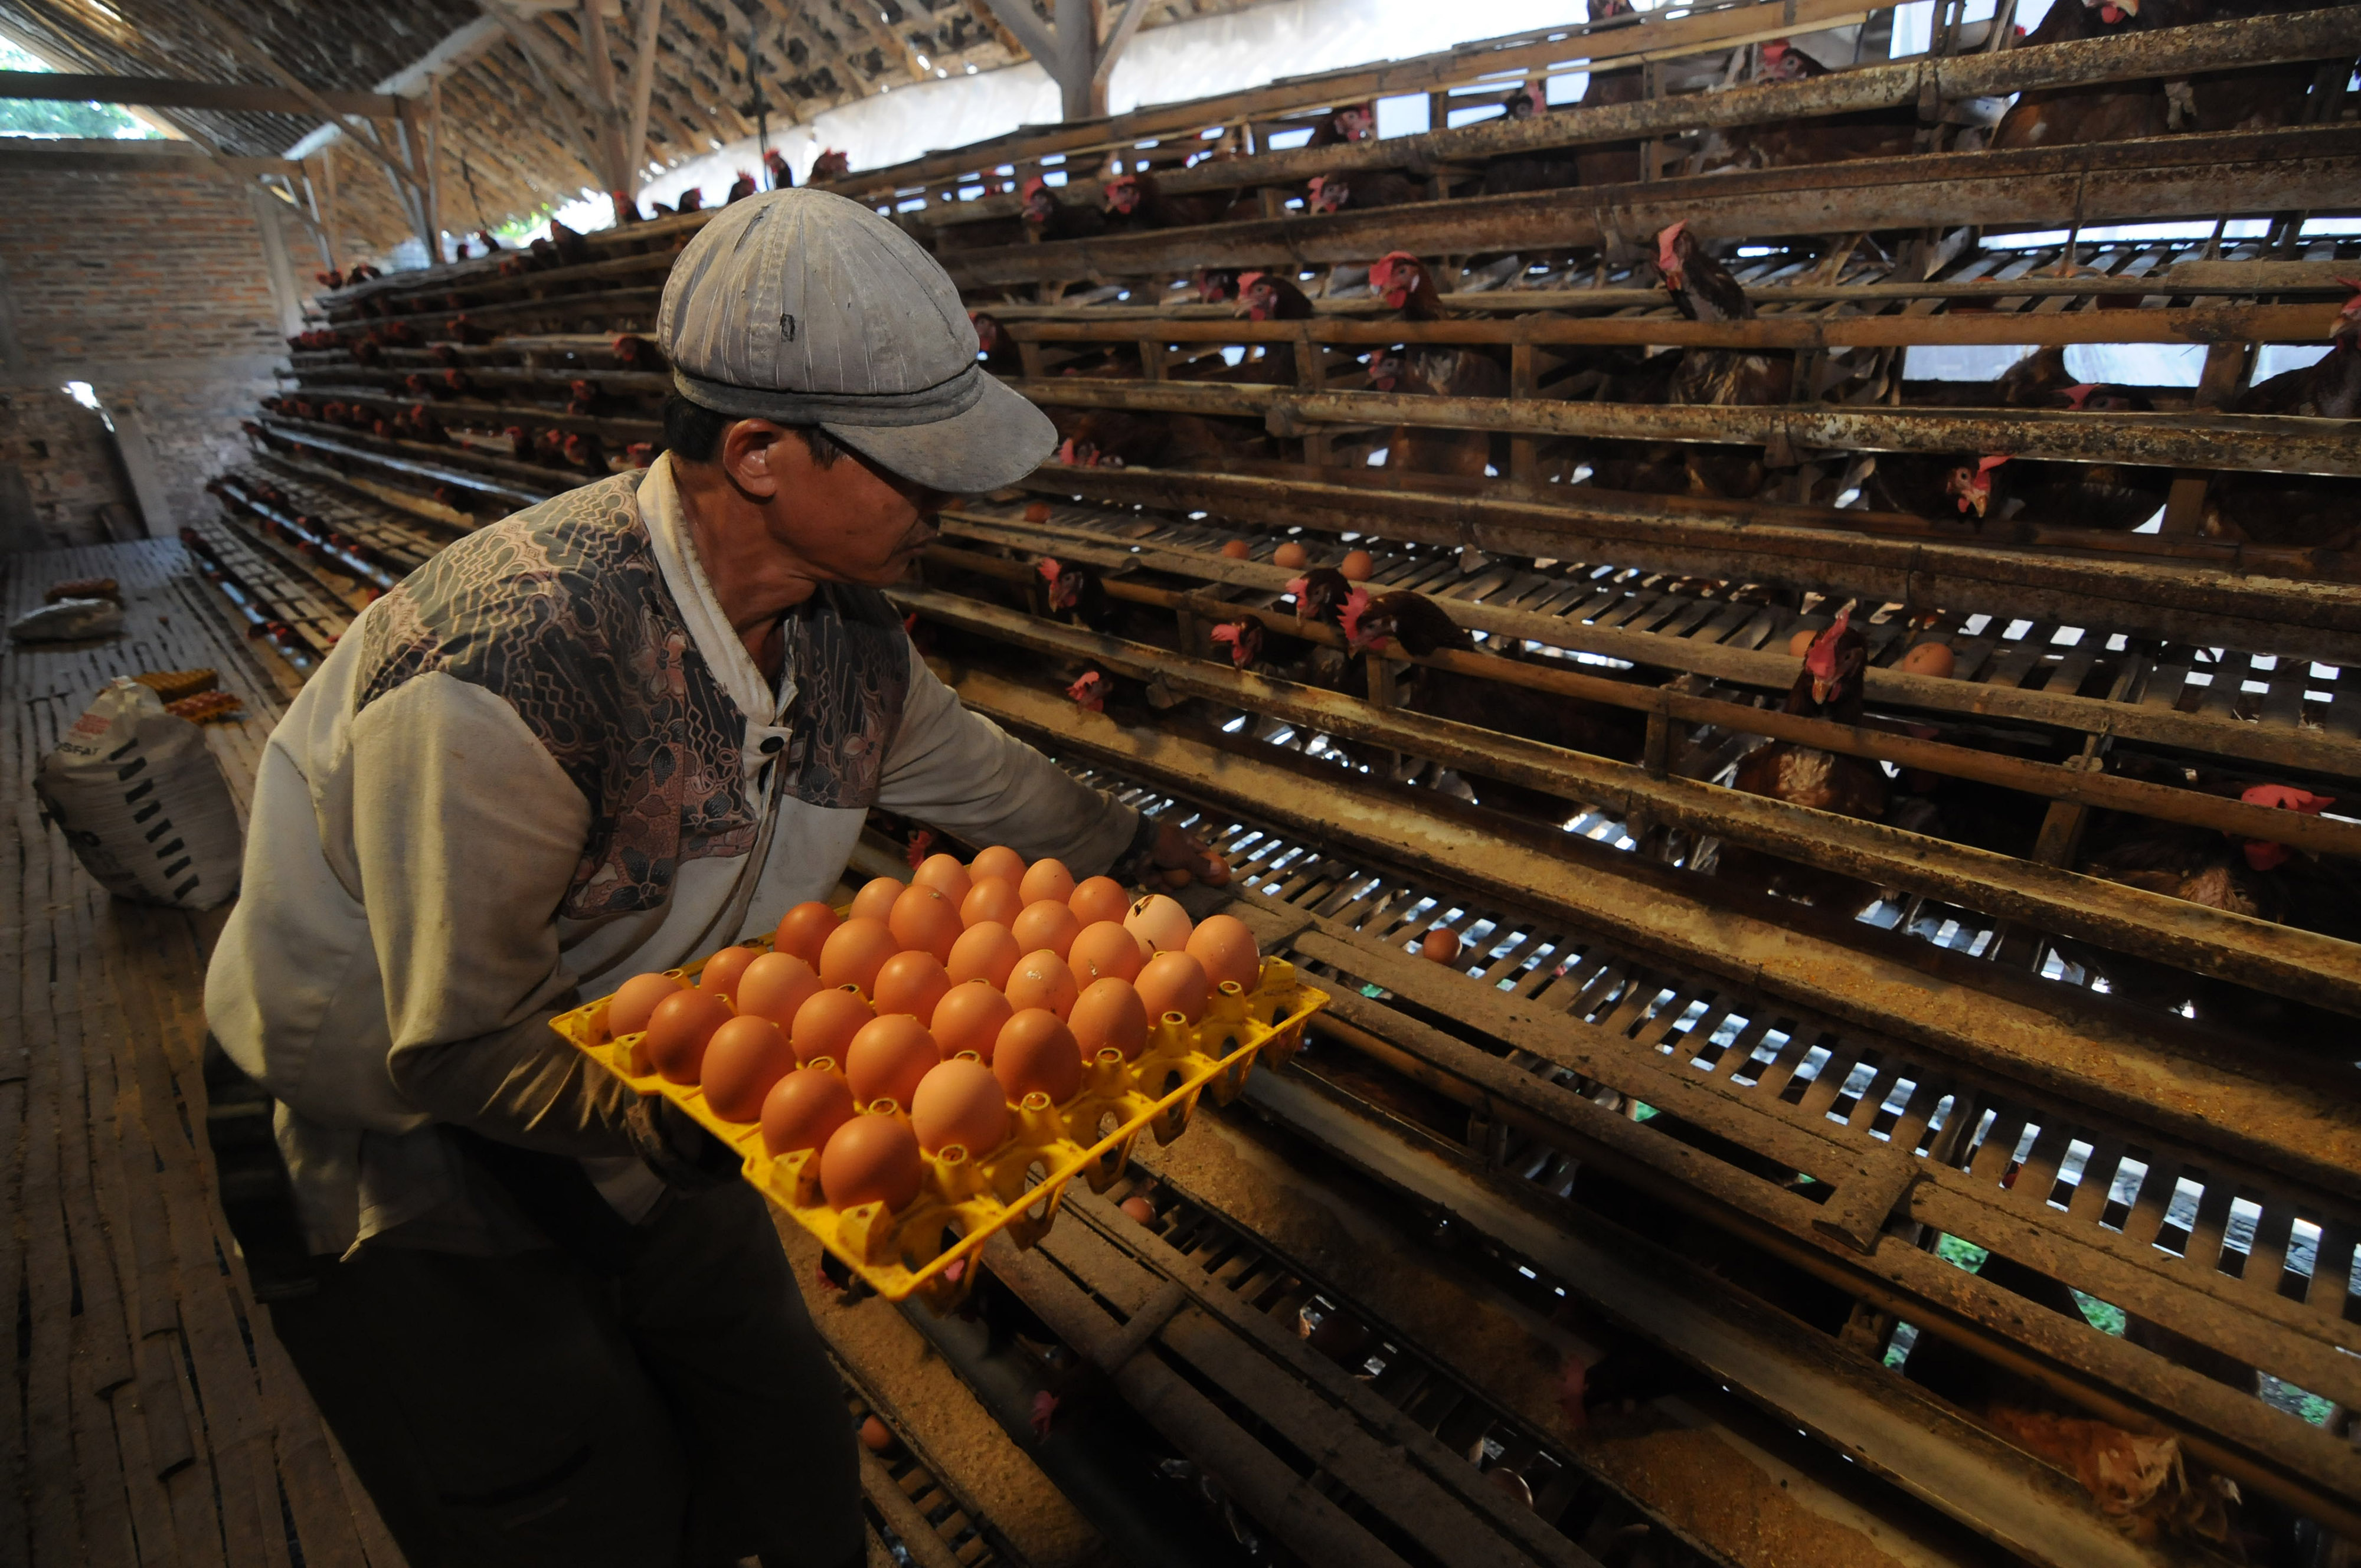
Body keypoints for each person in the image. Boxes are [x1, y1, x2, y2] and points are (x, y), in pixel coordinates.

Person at [204, 189, 1217, 1567]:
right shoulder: (504, 674)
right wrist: (703, 1122)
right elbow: (451, 1041)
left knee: (786, 1455)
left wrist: (1128, 850)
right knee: (573, 1508)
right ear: (757, 453)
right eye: (914, 468)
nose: (952, 501)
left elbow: (973, 774)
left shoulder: (841, 630)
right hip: (407, 1142)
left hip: (652, 1088)